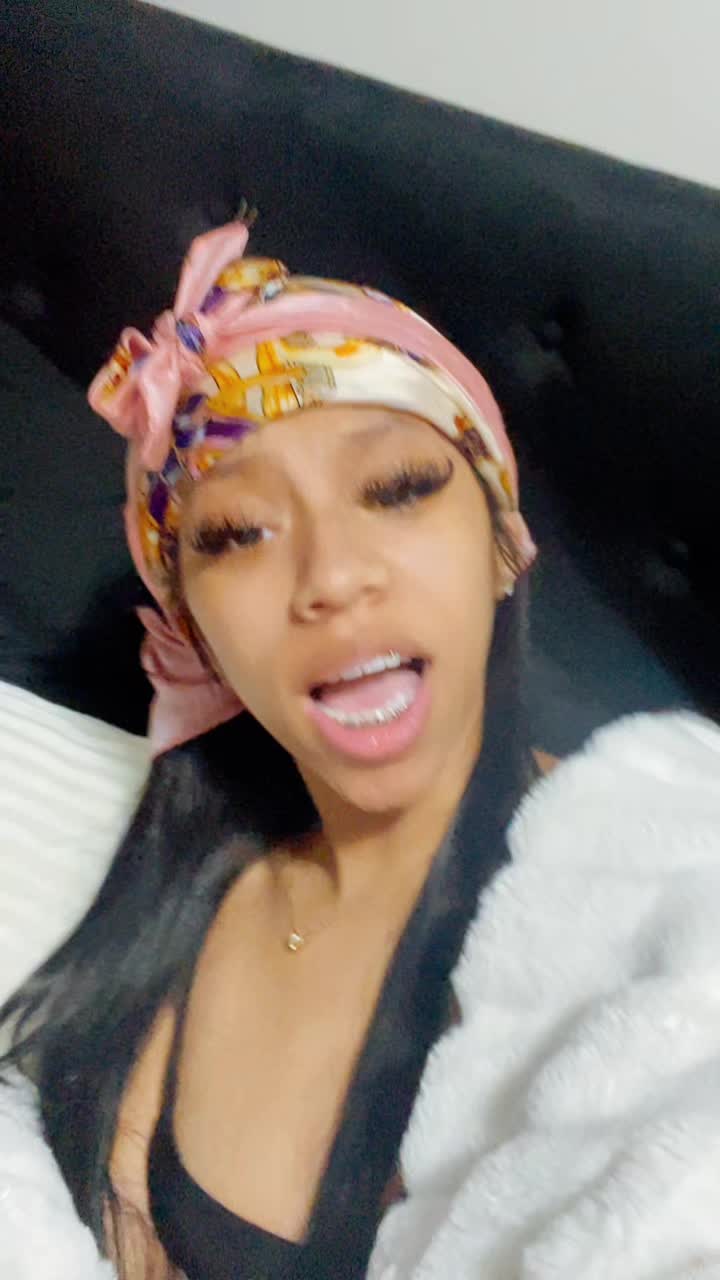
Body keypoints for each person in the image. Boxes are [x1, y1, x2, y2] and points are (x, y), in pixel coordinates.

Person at [1, 218, 720, 1280]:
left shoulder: (667, 897)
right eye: (238, 533)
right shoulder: (180, 924)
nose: (332, 575)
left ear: (502, 544)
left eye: (397, 488)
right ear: (192, 628)